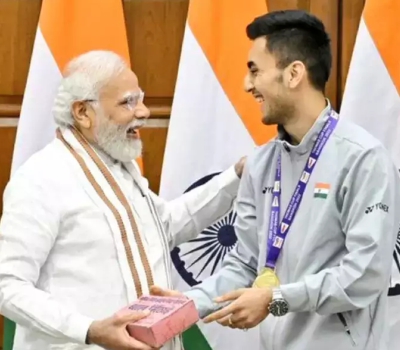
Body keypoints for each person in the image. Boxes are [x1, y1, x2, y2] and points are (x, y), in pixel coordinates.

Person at [151, 10, 400, 350]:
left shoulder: (363, 158)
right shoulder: (261, 162)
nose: (246, 84)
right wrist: (187, 305)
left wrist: (275, 299)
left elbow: (364, 276)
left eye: (254, 70)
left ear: (294, 73)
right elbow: (244, 264)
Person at [0, 50, 245, 350]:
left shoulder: (120, 164)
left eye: (140, 99)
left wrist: (236, 176)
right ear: (82, 112)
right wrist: (89, 330)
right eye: (128, 102)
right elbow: (7, 285)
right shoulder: (40, 178)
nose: (144, 112)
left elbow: (161, 228)